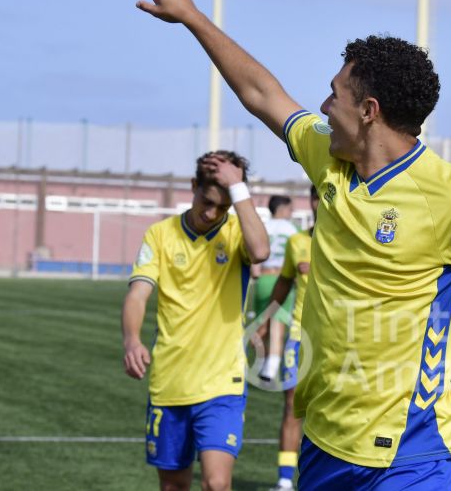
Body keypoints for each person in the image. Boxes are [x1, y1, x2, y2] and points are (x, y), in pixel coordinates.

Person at [137, 0, 451, 489]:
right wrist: (193, 18)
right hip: (325, 442)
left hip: (412, 452)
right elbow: (262, 93)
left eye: (336, 95)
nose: (325, 107)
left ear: (369, 111)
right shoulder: (329, 160)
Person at [121, 150, 269, 491]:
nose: (211, 212)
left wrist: (238, 189)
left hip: (222, 383)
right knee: (173, 486)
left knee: (216, 484)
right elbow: (137, 294)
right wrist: (131, 339)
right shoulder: (159, 235)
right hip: (170, 382)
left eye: (222, 205)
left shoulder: (237, 233)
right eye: (206, 200)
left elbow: (260, 251)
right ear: (193, 186)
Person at [267, 185, 319, 491]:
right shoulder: (297, 241)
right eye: (313, 196)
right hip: (300, 338)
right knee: (292, 405)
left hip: (338, 340)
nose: (316, 202)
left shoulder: (349, 240)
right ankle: (285, 481)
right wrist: (264, 322)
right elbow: (284, 283)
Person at [253, 194, 298, 382]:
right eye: (290, 209)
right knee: (277, 321)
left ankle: (259, 361)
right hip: (282, 278)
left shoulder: (263, 227)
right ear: (282, 209)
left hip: (263, 278)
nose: (292, 212)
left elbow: (254, 254)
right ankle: (271, 366)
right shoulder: (293, 229)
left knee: (262, 322)